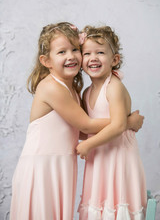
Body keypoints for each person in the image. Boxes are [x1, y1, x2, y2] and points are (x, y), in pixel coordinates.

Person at [10, 22, 144, 220]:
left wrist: (120, 124)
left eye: (75, 49)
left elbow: (78, 132)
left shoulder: (73, 90)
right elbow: (86, 125)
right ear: (46, 61)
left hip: (61, 163)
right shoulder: (51, 87)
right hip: (43, 165)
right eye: (62, 52)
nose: (71, 56)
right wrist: (126, 122)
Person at [77, 25, 147, 220]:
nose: (93, 58)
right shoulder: (87, 92)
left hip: (118, 155)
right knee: (99, 204)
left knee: (116, 203)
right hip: (100, 157)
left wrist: (89, 144)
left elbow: (118, 126)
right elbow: (86, 127)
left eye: (100, 52)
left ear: (114, 59)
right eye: (87, 53)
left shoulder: (114, 87)